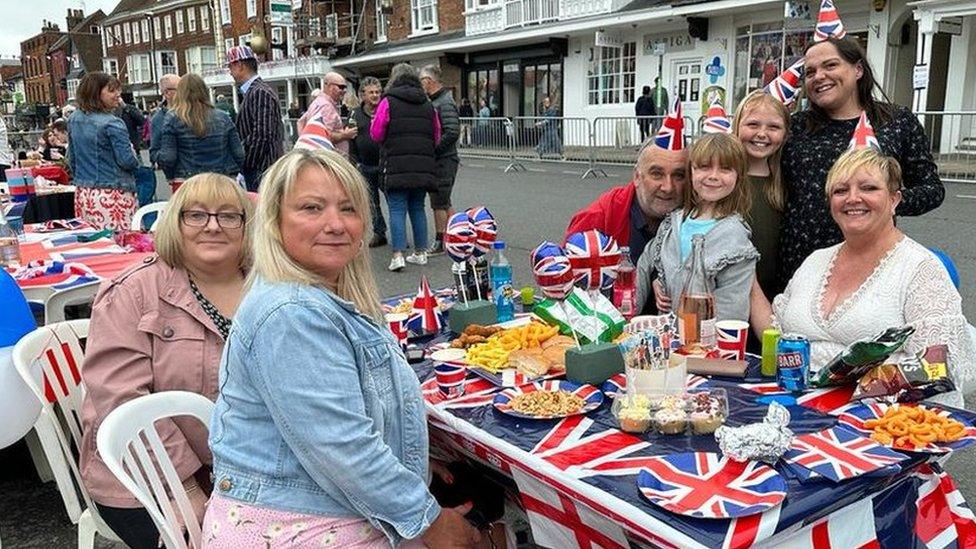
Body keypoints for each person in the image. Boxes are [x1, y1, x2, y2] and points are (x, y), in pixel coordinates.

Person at [203, 148, 481, 548]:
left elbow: (335, 427)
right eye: (312, 208)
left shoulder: (313, 294)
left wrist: (411, 459)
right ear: (274, 222)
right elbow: (342, 447)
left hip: (310, 500)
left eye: (348, 209)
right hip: (294, 522)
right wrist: (430, 521)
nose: (335, 224)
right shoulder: (291, 313)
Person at [80, 173, 253, 548]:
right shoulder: (133, 292)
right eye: (196, 215)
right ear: (175, 223)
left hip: (246, 471)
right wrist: (183, 486)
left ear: (246, 226)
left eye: (228, 216)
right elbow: (121, 400)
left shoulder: (267, 288)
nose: (212, 226)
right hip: (144, 473)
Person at [751, 148, 974, 408]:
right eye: (840, 191)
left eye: (868, 188)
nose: (852, 198)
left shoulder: (921, 269)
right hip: (800, 414)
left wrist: (841, 379)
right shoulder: (815, 261)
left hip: (885, 426)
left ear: (894, 200)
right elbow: (777, 336)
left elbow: (941, 366)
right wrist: (748, 280)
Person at [779, 37, 944, 286]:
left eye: (830, 65)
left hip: (871, 263)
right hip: (799, 264)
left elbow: (932, 190)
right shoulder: (795, 126)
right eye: (810, 72)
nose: (819, 76)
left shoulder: (896, 121)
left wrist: (879, 202)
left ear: (858, 69)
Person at [636, 133, 758, 321]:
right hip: (666, 342)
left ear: (738, 176)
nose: (713, 176)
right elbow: (645, 265)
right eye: (704, 167)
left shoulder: (735, 237)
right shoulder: (673, 222)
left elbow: (733, 311)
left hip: (705, 346)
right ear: (691, 172)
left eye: (725, 169)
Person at [566, 130, 688, 267]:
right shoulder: (599, 219)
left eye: (679, 175)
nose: (668, 187)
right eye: (657, 174)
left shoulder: (704, 214)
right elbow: (563, 278)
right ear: (637, 177)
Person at [371, 63, 441, 272]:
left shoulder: (388, 102)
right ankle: (421, 252)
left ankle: (398, 255)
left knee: (396, 208)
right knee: (418, 208)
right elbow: (436, 136)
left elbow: (376, 133)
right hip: (422, 165)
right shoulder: (428, 104)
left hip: (396, 164)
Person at [732, 90, 789, 299]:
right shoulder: (721, 183)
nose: (762, 134)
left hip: (772, 294)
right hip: (729, 295)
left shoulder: (785, 183)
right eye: (753, 124)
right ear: (737, 126)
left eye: (773, 127)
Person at [67, 72, 141, 230]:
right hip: (112, 193)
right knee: (121, 246)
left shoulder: (74, 119)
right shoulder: (113, 123)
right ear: (96, 92)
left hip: (84, 193)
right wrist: (134, 155)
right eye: (112, 90)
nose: (118, 94)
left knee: (93, 247)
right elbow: (127, 161)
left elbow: (71, 159)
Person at [156, 73, 244, 181]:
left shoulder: (172, 119)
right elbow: (239, 155)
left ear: (181, 93)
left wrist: (170, 176)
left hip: (188, 181)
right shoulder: (224, 118)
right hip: (222, 180)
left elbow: (168, 158)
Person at [227, 45, 283, 191]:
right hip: (261, 169)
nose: (230, 72)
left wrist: (246, 165)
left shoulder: (259, 92)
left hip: (262, 170)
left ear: (240, 65)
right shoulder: (256, 91)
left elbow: (262, 135)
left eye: (230, 67)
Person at [420, 64, 460, 257]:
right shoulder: (438, 100)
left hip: (444, 159)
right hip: (444, 158)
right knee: (444, 200)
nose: (421, 85)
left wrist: (433, 149)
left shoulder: (444, 102)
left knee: (438, 202)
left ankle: (440, 241)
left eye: (422, 80)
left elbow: (452, 131)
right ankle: (459, 235)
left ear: (429, 81)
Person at [349, 76, 387, 248]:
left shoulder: (385, 110)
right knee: (373, 203)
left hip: (385, 165)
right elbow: (351, 138)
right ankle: (380, 233)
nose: (375, 95)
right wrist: (354, 162)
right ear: (363, 95)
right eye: (371, 92)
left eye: (378, 92)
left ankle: (398, 232)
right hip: (365, 165)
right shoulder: (355, 114)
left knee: (393, 201)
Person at [299, 71, 357, 158]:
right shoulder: (326, 106)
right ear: (329, 86)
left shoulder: (318, 102)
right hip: (329, 159)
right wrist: (345, 135)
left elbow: (301, 122)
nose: (344, 91)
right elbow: (323, 135)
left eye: (345, 87)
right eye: (341, 87)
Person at [149, 73, 180, 176]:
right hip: (178, 176)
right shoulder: (158, 119)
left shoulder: (192, 112)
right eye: (180, 89)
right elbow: (153, 152)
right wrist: (169, 156)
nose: (185, 92)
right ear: (167, 93)